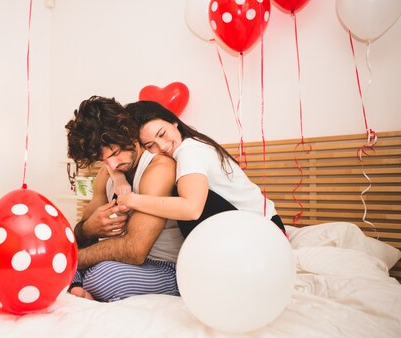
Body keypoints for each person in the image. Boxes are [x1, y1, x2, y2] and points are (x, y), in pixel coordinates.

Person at [64, 96, 185, 302]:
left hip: (165, 266)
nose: (111, 165)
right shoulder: (108, 172)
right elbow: (81, 235)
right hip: (122, 261)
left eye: (116, 153)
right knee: (58, 252)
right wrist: (89, 229)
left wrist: (71, 260)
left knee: (104, 276)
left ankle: (77, 281)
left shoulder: (159, 168)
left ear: (128, 132)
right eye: (103, 160)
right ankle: (78, 283)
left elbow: (135, 250)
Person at [114, 100, 286, 237]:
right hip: (267, 227)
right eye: (150, 145)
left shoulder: (188, 151)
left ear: (173, 122)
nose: (162, 146)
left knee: (181, 197)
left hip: (265, 234)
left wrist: (132, 200)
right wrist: (118, 178)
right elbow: (110, 162)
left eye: (162, 134)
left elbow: (192, 209)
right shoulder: (194, 143)